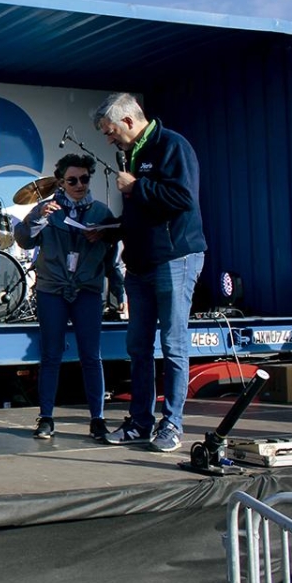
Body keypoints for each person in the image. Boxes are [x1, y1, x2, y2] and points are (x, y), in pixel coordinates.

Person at [94, 92, 206, 452]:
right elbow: (141, 214)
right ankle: (140, 421)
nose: (108, 139)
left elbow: (182, 198)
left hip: (175, 258)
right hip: (140, 263)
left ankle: (171, 424)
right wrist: (111, 230)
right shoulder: (133, 152)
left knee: (173, 344)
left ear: (128, 121)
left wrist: (137, 187)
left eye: (110, 131)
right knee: (138, 347)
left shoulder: (171, 145)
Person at [13, 154, 116, 440]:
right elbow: (22, 239)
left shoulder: (100, 212)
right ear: (61, 182)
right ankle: (46, 417)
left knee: (91, 356)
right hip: (52, 290)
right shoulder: (47, 209)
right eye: (73, 180)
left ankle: (98, 419)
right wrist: (38, 217)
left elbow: (113, 258)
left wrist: (118, 292)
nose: (80, 185)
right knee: (50, 355)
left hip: (87, 291)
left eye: (84, 179)